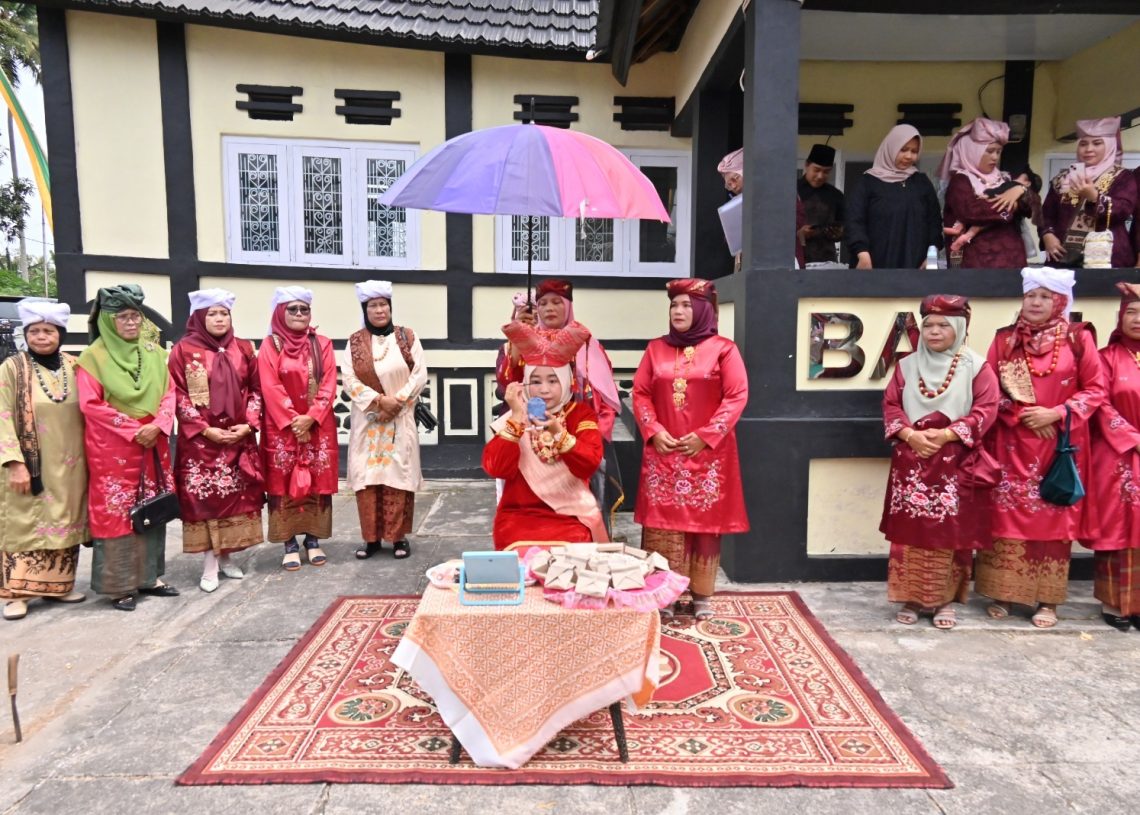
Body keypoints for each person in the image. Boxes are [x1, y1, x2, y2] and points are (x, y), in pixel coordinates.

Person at [977, 268, 1105, 628]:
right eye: (1031, 294)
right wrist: (1021, 417)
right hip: (1011, 442)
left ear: (1060, 301)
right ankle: (1002, 591)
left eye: (1046, 297)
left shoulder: (1079, 339)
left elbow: (1096, 389)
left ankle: (1047, 600)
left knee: (1054, 519)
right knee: (1006, 519)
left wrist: (1057, 413)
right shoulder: (1004, 340)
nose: (1036, 302)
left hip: (1059, 446)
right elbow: (990, 391)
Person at [880, 295, 1000, 630]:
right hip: (912, 459)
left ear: (959, 327)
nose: (934, 331)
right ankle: (911, 598)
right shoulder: (906, 365)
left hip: (956, 461)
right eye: (929, 325)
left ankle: (946, 600)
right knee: (911, 531)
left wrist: (947, 435)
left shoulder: (977, 367)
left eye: (943, 325)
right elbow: (891, 404)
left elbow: (987, 409)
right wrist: (909, 435)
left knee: (951, 531)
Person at [633, 279, 748, 621]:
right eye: (674, 305)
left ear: (702, 310)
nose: (678, 311)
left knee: (704, 525)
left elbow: (737, 395)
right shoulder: (656, 349)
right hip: (664, 452)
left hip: (707, 454)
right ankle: (664, 593)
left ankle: (701, 595)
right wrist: (653, 431)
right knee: (662, 526)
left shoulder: (724, 349)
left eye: (686, 305)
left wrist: (707, 435)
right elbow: (640, 393)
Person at [77, 285, 179, 611]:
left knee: (152, 507)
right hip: (113, 446)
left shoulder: (154, 352)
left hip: (152, 443)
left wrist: (160, 424)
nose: (131, 323)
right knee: (117, 513)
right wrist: (134, 429)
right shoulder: (92, 358)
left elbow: (170, 392)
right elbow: (91, 404)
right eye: (122, 317)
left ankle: (150, 578)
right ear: (107, 321)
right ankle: (119, 585)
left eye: (135, 315)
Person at [495, 279, 622, 524]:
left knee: (581, 506)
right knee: (531, 503)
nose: (549, 308)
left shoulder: (587, 345)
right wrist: (519, 340)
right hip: (532, 433)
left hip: (575, 430)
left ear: (569, 305)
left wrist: (596, 432)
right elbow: (507, 383)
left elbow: (602, 394)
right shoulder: (523, 340)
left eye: (556, 302)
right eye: (542, 303)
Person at [168, 289, 265, 593]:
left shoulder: (244, 349)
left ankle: (225, 557)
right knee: (206, 501)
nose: (219, 319)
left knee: (235, 500)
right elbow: (178, 395)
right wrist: (204, 429)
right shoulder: (183, 351)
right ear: (199, 317)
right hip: (201, 444)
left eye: (224, 313)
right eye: (212, 314)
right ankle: (210, 563)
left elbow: (256, 390)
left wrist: (249, 425)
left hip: (237, 438)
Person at [483, 320, 607, 550]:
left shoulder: (580, 415)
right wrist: (518, 418)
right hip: (518, 514)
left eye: (553, 380)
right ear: (526, 383)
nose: (544, 389)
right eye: (536, 381)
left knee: (574, 549)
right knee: (513, 545)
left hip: (571, 514)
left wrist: (559, 433)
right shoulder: (515, 415)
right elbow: (495, 467)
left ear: (567, 381)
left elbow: (588, 465)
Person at [0, 300, 88, 621]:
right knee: (25, 525)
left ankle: (59, 586)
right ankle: (17, 594)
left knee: (64, 522)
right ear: (26, 334)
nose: (41, 336)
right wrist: (13, 462)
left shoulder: (74, 366)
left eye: (48, 331)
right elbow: (2, 415)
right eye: (34, 331)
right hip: (30, 463)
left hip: (71, 465)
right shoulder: (12, 368)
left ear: (60, 334)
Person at [342, 281, 427, 561]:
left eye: (383, 305)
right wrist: (380, 401)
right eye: (373, 306)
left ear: (390, 307)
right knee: (368, 478)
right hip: (369, 420)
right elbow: (349, 380)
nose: (379, 310)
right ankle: (371, 539)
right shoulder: (354, 342)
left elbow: (419, 375)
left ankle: (398, 538)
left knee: (398, 476)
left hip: (399, 420)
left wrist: (397, 402)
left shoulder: (407, 337)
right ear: (364, 310)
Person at [258, 287, 338, 571]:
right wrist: (294, 420)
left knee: (317, 480)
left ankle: (313, 540)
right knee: (283, 482)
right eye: (292, 309)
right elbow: (270, 385)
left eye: (304, 309)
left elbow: (329, 383)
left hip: (318, 426)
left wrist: (312, 417)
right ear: (280, 312)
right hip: (282, 428)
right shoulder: (271, 345)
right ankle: (289, 542)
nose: (299, 314)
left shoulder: (323, 343)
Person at [1083, 283, 1140, 630]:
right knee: (1117, 527)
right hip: (1116, 454)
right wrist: (1132, 438)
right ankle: (1114, 603)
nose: (1138, 319)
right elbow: (1099, 403)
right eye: (1132, 312)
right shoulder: (1106, 358)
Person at [1041, 117, 1137, 269]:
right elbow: (1046, 214)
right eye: (1083, 144)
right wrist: (1047, 235)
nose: (1088, 149)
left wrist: (1094, 197)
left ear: (1110, 145)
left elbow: (1124, 210)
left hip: (1108, 258)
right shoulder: (1062, 178)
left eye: (1097, 143)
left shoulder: (1123, 177)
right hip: (1061, 258)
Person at [938, 118, 1033, 269]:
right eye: (989, 151)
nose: (995, 157)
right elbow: (972, 211)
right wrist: (1013, 205)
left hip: (1013, 262)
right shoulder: (960, 181)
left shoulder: (1004, 178)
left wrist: (1021, 190)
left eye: (998, 151)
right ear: (972, 151)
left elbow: (1030, 206)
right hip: (976, 264)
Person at [847, 124, 942, 269]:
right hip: (874, 267)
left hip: (917, 268)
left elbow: (934, 223)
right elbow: (854, 221)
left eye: (914, 151)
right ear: (891, 147)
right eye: (903, 149)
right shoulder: (868, 183)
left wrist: (932, 256)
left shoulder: (921, 183)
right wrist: (862, 253)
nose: (909, 156)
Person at [718, 147, 807, 268]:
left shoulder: (779, 189)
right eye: (728, 184)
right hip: (753, 265)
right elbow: (732, 240)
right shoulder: (737, 204)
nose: (733, 186)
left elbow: (798, 217)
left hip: (783, 260)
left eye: (735, 179)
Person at [797, 143, 846, 264]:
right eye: (816, 170)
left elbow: (845, 225)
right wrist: (798, 234)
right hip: (796, 258)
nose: (820, 176)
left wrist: (838, 233)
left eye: (826, 172)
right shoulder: (792, 190)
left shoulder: (836, 195)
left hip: (826, 259)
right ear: (807, 165)